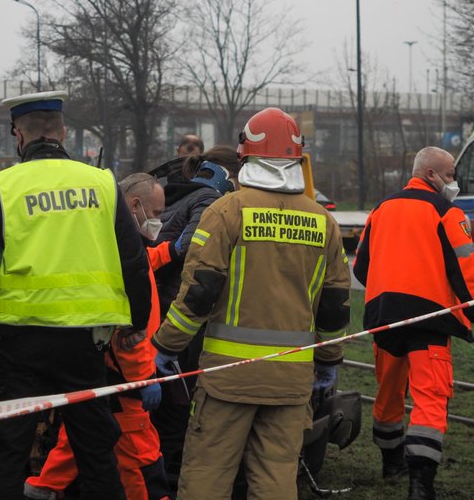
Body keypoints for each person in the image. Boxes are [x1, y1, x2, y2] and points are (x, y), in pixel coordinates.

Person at [0, 90, 152, 500]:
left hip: (20, 340)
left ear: (18, 135)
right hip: (85, 342)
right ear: (63, 131)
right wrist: (136, 323)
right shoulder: (102, 183)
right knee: (96, 451)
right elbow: (133, 260)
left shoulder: (0, 186)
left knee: (9, 451)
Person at [152, 107, 351, 500]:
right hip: (292, 382)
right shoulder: (322, 221)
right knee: (276, 478)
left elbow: (198, 293)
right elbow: (335, 303)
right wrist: (328, 361)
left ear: (245, 157)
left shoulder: (226, 212)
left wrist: (165, 346)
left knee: (207, 474)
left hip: (229, 378)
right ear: (297, 158)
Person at [353, 146, 474, 500]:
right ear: (431, 175)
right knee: (430, 397)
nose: (454, 181)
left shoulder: (381, 209)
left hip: (383, 317)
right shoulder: (447, 212)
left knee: (388, 393)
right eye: (450, 175)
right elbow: (466, 273)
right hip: (431, 318)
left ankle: (391, 462)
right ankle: (421, 485)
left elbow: (360, 267)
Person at [23, 173, 171, 500]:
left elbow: (148, 263)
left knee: (80, 438)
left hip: (98, 370)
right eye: (157, 212)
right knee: (143, 465)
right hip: (125, 378)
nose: (159, 219)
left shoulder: (109, 242)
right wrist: (145, 378)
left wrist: (173, 250)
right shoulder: (123, 253)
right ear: (135, 205)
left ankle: (41, 489)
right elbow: (126, 331)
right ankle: (41, 489)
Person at [149, 145, 241, 486]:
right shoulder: (209, 201)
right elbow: (193, 249)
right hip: (181, 316)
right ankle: (170, 478)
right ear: (229, 178)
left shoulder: (169, 192)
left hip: (152, 312)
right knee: (177, 407)